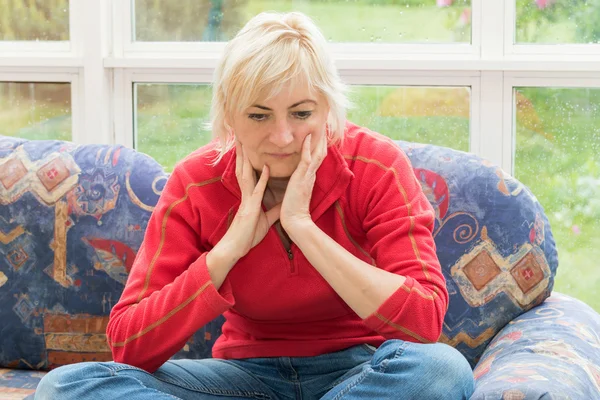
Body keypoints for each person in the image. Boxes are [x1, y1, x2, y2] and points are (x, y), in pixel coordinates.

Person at [35, 11, 474, 400]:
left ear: (327, 109)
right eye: (259, 116)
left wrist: (302, 226)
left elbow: (423, 322)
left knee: (441, 370)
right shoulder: (197, 181)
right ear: (229, 116)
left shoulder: (376, 166)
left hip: (360, 372)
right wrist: (227, 250)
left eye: (301, 114)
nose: (282, 137)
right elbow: (129, 345)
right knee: (65, 387)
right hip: (242, 377)